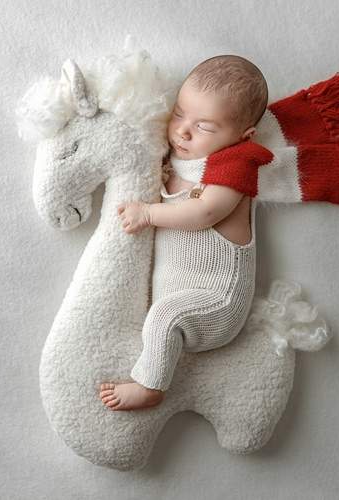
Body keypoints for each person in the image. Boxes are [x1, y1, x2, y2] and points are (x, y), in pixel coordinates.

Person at [99, 54, 273, 410]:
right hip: (181, 295)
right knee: (161, 315)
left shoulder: (235, 166)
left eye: (204, 126)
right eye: (179, 114)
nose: (183, 130)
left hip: (217, 300)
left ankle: (150, 386)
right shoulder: (178, 161)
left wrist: (148, 213)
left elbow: (204, 212)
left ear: (244, 137)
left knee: (166, 316)